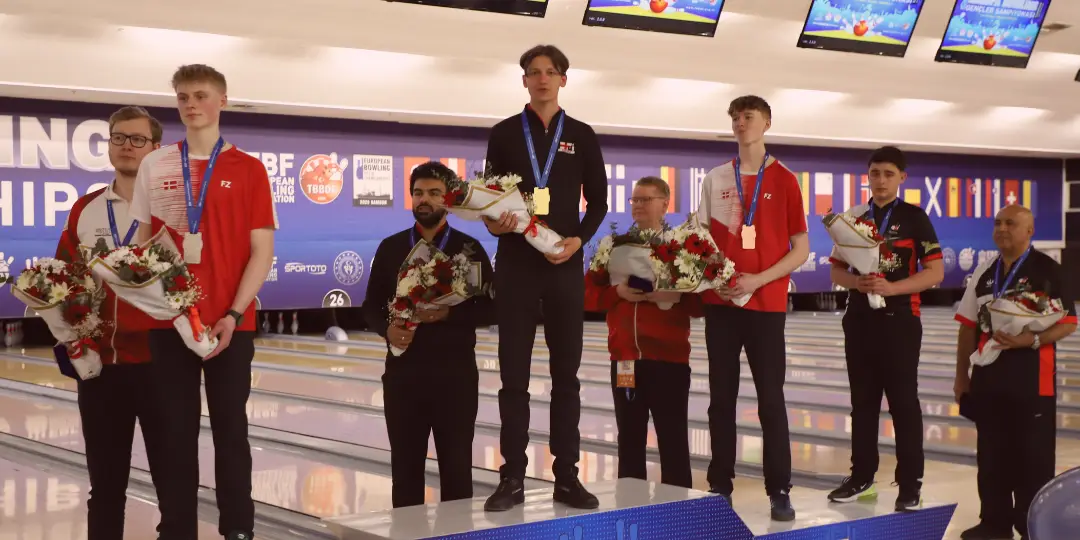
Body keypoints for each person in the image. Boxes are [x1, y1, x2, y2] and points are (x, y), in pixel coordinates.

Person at [131, 64, 278, 540]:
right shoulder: (156, 164)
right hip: (170, 324)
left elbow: (262, 250)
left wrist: (234, 314)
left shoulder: (250, 168)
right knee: (174, 434)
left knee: (231, 433)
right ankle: (176, 530)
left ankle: (238, 529)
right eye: (181, 97)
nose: (190, 105)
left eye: (199, 95)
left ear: (222, 101)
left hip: (232, 322)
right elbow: (146, 240)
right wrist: (163, 298)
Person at [481, 44, 609, 511]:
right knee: (512, 377)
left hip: (562, 266)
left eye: (550, 72)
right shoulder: (502, 134)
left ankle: (567, 477)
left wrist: (578, 242)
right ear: (523, 81)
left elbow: (597, 203)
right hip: (516, 265)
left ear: (563, 80)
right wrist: (493, 221)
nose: (541, 79)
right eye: (533, 72)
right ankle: (511, 476)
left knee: (566, 378)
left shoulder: (582, 134)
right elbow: (490, 199)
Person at [53, 106, 183, 539]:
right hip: (103, 367)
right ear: (109, 145)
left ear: (156, 149)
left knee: (174, 486)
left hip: (164, 366)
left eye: (137, 139)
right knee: (105, 487)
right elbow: (65, 280)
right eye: (118, 138)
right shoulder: (85, 210)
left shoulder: (176, 209)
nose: (127, 146)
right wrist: (70, 337)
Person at [695, 95, 809, 521]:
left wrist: (759, 279)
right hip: (721, 304)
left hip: (766, 303)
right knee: (720, 399)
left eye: (749, 117)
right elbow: (699, 238)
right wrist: (718, 279)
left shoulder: (785, 180)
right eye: (736, 118)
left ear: (767, 123)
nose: (741, 124)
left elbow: (801, 248)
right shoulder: (715, 177)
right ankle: (719, 487)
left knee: (770, 401)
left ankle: (779, 489)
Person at [360, 161, 494, 508]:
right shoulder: (391, 247)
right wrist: (386, 330)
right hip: (404, 376)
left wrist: (451, 313)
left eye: (434, 193)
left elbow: (491, 308)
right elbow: (371, 306)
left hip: (456, 377)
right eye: (419, 192)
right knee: (405, 472)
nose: (425, 199)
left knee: (457, 471)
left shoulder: (469, 249)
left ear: (448, 199)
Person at [826, 146, 944, 511]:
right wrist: (856, 283)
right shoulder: (853, 218)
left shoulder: (914, 217)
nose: (880, 180)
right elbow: (835, 270)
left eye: (888, 174)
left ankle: (910, 484)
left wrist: (891, 288)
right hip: (859, 321)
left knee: (904, 405)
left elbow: (935, 272)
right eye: (875, 173)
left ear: (902, 178)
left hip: (900, 322)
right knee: (861, 405)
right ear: (868, 175)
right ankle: (862, 478)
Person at [953, 205, 1076, 540]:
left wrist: (1031, 339)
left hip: (1032, 378)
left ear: (1029, 230)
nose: (1002, 228)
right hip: (988, 379)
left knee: (1032, 458)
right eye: (998, 223)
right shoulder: (983, 273)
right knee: (991, 455)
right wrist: (961, 376)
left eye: (1010, 223)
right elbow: (966, 328)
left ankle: (1031, 524)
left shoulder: (1048, 270)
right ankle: (993, 522)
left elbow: (1067, 322)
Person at [583, 176, 701, 488]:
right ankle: (630, 509)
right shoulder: (613, 246)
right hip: (625, 360)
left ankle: (679, 515)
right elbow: (587, 295)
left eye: (645, 199)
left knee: (673, 440)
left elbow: (702, 303)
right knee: (629, 439)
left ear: (665, 203)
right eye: (634, 200)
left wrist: (674, 295)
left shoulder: (681, 249)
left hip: (669, 360)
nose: (638, 205)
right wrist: (617, 292)